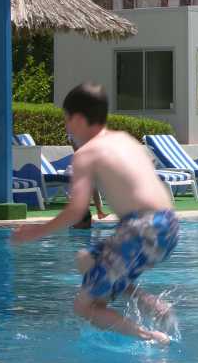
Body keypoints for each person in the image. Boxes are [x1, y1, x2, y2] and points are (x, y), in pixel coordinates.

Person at [11, 82, 179, 344]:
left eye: (66, 121)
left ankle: (152, 337)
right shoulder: (125, 139)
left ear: (78, 119)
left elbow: (77, 210)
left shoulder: (86, 154)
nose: (66, 128)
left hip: (140, 227)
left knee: (84, 306)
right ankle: (152, 303)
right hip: (168, 225)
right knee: (86, 259)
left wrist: (36, 231)